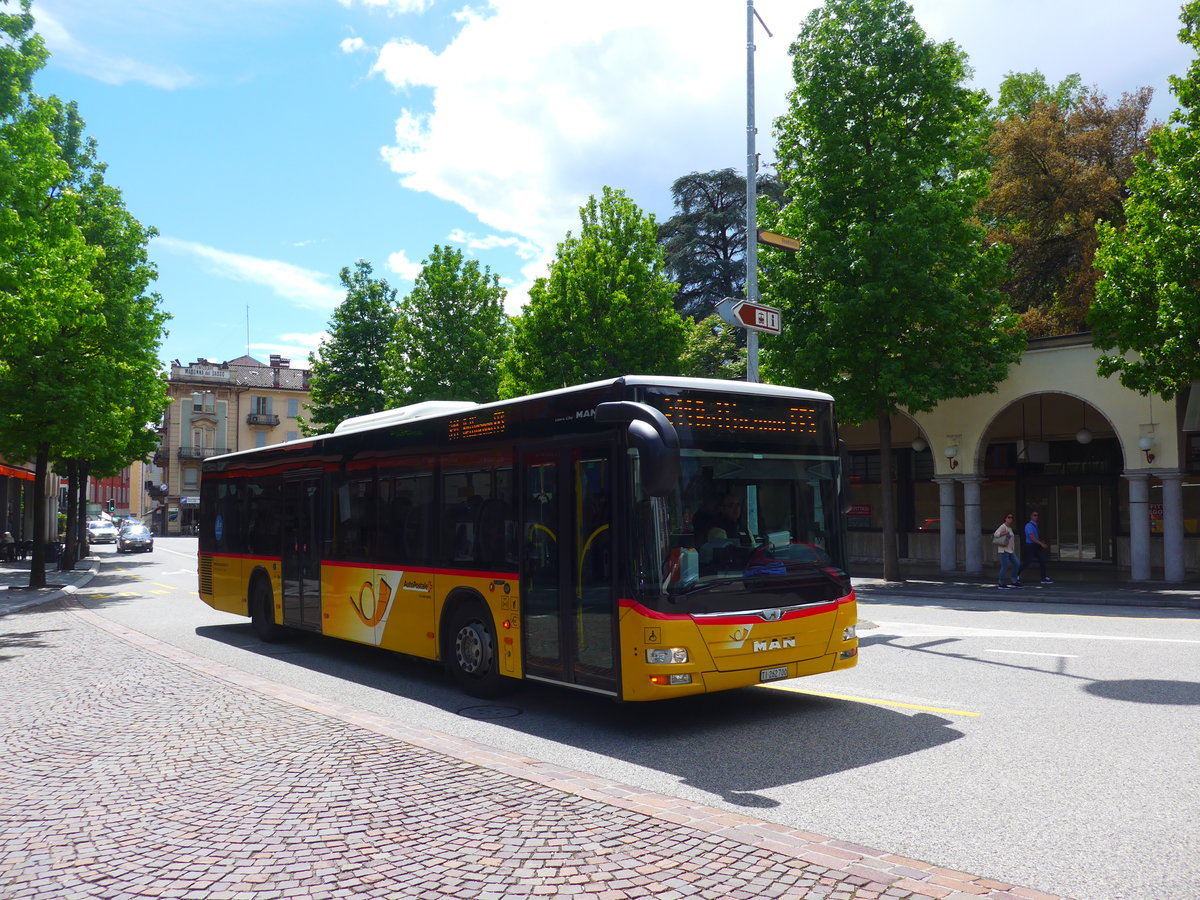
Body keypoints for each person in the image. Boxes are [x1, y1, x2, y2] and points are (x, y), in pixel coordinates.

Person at [1017, 510, 1051, 584]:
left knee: (1042, 560)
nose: (1036, 517)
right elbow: (1031, 537)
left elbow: (1035, 537)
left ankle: (1044, 577)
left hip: (1036, 545)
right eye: (1034, 515)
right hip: (1030, 546)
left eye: (1037, 515)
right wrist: (1041, 544)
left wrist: (1040, 542)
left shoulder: (1035, 525)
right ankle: (1016, 574)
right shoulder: (1029, 525)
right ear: (1031, 516)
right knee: (1027, 562)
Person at [993, 513, 1018, 589]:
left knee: (1017, 564)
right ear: (1005, 518)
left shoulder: (1009, 527)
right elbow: (995, 534)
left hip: (1010, 550)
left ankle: (1014, 581)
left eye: (1012, 517)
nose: (1010, 519)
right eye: (1009, 517)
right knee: (1004, 566)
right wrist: (1004, 533)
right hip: (1003, 550)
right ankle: (1001, 583)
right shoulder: (1003, 526)